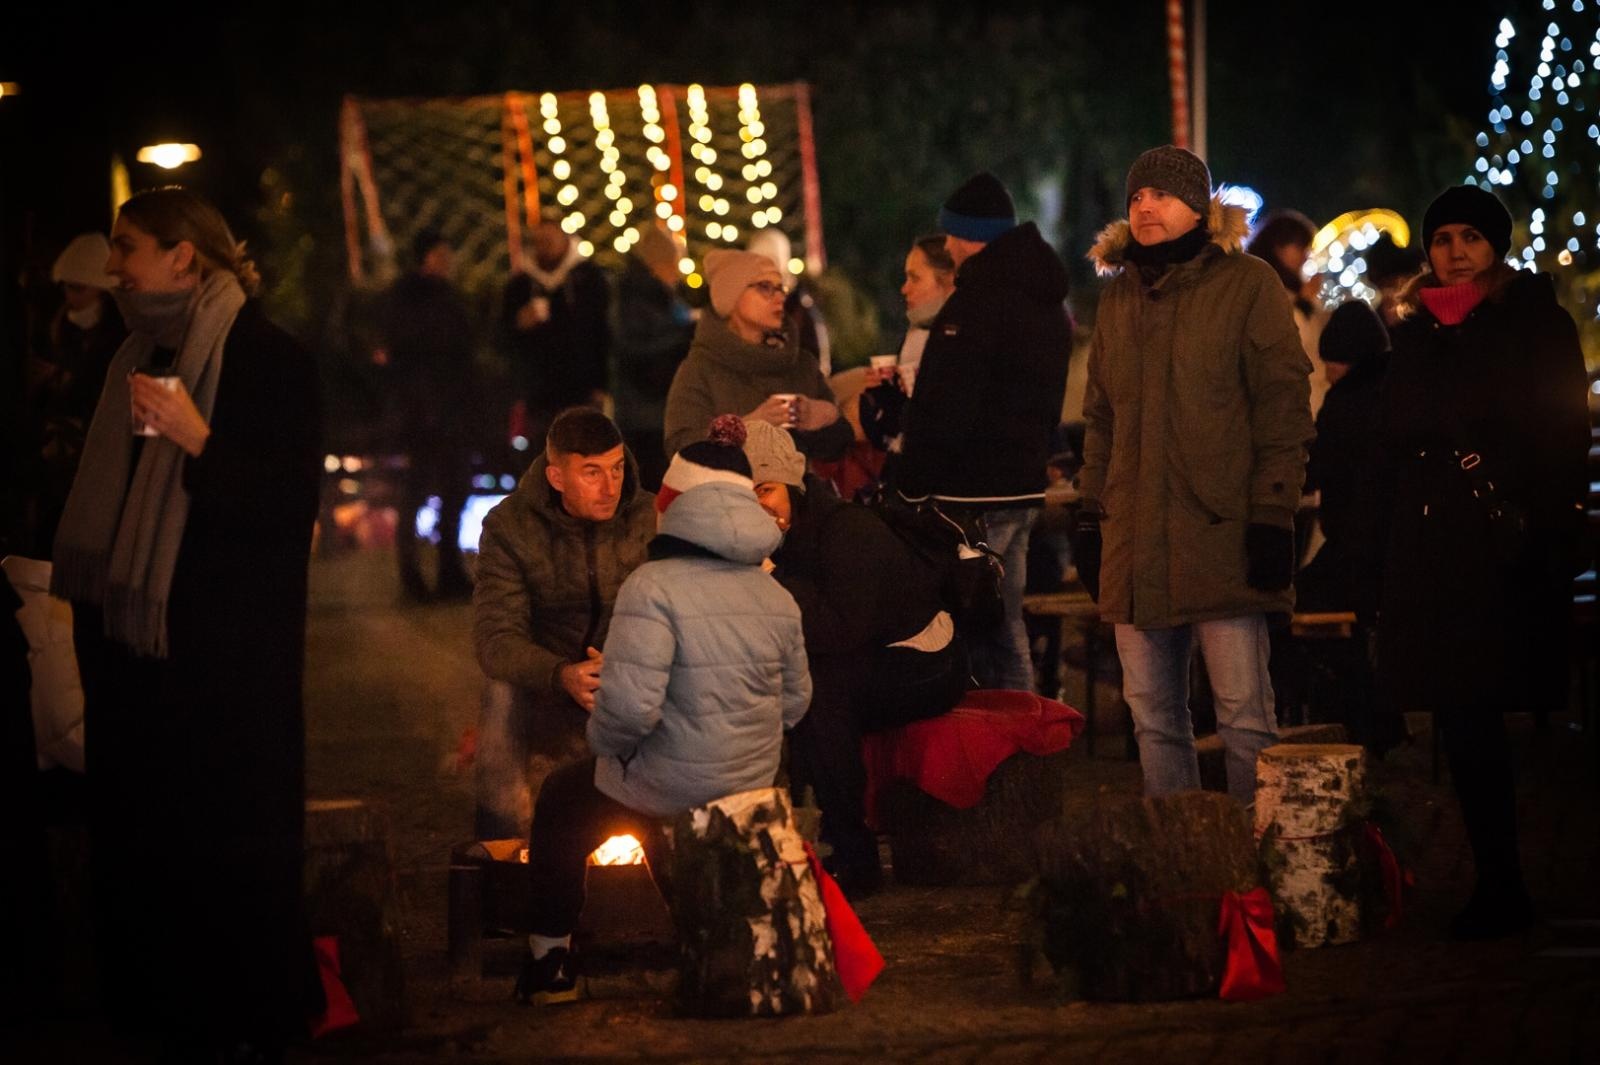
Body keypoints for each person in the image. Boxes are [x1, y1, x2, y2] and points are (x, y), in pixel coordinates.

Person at [50, 186, 322, 1059]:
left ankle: (248, 1010)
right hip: (135, 649)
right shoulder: (127, 351)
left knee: (229, 837)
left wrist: (199, 439)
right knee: (143, 835)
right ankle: (155, 1003)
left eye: (128, 246)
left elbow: (285, 508)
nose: (114, 264)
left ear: (184, 256)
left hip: (226, 658)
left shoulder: (268, 358)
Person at [515, 416, 809, 1004]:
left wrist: (604, 744)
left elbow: (630, 713)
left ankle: (551, 965)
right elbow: (796, 702)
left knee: (567, 799)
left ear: (673, 504)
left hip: (674, 781)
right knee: (646, 786)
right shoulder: (774, 593)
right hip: (751, 782)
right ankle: (713, 943)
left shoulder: (652, 588)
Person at [1373, 185, 1589, 939]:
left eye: (1470, 236)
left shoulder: (1534, 321)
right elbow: (1395, 433)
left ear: (1494, 245)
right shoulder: (1412, 332)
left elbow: (1560, 432)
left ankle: (1527, 878)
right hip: (1436, 552)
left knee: (1512, 716)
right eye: (1442, 239)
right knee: (1462, 717)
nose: (1455, 249)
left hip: (1508, 550)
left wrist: (1547, 531)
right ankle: (1497, 883)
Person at [1076, 146, 1313, 804]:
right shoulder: (1120, 299)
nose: (1145, 205)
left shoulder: (1248, 286)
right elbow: (1101, 419)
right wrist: (1091, 512)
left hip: (1224, 541)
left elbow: (1284, 407)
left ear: (1199, 208)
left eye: (1162, 194)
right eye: (1135, 197)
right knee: (1155, 722)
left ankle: (1262, 872)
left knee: (1244, 723)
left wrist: (1272, 512)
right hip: (1136, 546)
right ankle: (1185, 875)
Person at [741, 419, 967, 895]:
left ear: (792, 483)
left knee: (819, 688)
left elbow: (838, 629)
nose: (755, 507)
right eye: (740, 497)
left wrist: (767, 573)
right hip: (867, 652)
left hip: (927, 661)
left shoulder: (846, 532)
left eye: (764, 489)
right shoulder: (787, 539)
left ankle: (853, 851)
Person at [891, 172, 1072, 692]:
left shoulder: (978, 302)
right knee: (1005, 617)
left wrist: (910, 483)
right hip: (1019, 486)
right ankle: (1023, 739)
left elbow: (947, 405)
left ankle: (1002, 744)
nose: (947, 244)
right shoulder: (1044, 302)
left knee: (978, 627)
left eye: (951, 234)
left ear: (970, 235)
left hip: (970, 495)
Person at [472, 407, 656, 839]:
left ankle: (672, 843)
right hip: (545, 678)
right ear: (556, 478)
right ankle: (503, 847)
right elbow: (496, 638)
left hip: (627, 670)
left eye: (616, 468)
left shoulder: (648, 517)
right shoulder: (510, 527)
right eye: (592, 473)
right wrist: (561, 674)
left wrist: (633, 661)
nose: (611, 487)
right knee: (501, 694)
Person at [662, 249, 850, 462]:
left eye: (781, 288)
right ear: (731, 296)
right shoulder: (700, 368)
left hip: (801, 493)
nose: (779, 297)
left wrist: (825, 416)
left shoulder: (801, 364)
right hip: (730, 494)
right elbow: (680, 449)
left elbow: (839, 447)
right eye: (765, 287)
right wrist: (745, 429)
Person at [379, 227, 476, 600]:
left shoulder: (448, 297)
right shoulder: (406, 299)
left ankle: (450, 571)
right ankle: (412, 577)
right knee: (416, 490)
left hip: (452, 410)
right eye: (441, 253)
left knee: (456, 489)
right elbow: (406, 351)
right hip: (420, 413)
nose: (447, 261)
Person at [27, 233, 126, 555]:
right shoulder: (56, 330)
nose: (70, 296)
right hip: (58, 458)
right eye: (66, 287)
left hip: (99, 459)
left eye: (79, 287)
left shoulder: (121, 340)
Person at [503, 219, 612, 444]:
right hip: (538, 394)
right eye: (539, 241)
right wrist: (519, 324)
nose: (545, 247)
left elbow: (603, 334)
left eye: (550, 240)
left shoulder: (589, 280)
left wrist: (602, 385)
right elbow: (502, 338)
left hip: (582, 389)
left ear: (565, 242)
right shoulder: (521, 285)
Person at [859, 233, 957, 468]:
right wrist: (885, 392)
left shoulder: (964, 338)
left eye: (915, 278)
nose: (904, 289)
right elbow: (895, 430)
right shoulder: (915, 334)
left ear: (948, 281)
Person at [613, 225, 695, 489]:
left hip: (650, 411)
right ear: (657, 264)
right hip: (648, 413)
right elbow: (638, 348)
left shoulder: (647, 295)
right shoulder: (639, 297)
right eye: (672, 265)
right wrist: (684, 335)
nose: (676, 274)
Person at [1247, 208, 1330, 417]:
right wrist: (1303, 303)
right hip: (1286, 405)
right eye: (1300, 247)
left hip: (1310, 400)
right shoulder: (1260, 287)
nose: (1305, 256)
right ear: (1279, 247)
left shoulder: (1295, 288)